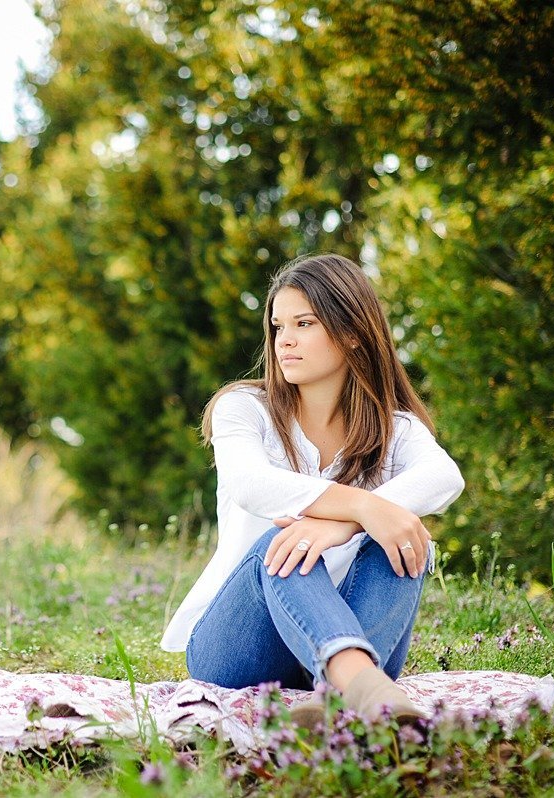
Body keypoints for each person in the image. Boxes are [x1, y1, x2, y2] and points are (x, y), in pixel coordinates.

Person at [160, 253, 464, 725]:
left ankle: (334, 698)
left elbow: (445, 477)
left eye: (304, 323)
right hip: (239, 648)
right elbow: (250, 484)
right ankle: (360, 686)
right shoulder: (243, 408)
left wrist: (343, 526)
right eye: (279, 326)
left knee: (403, 535)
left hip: (357, 629)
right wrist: (361, 508)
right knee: (284, 544)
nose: (285, 341)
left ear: (352, 333)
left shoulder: (394, 428)